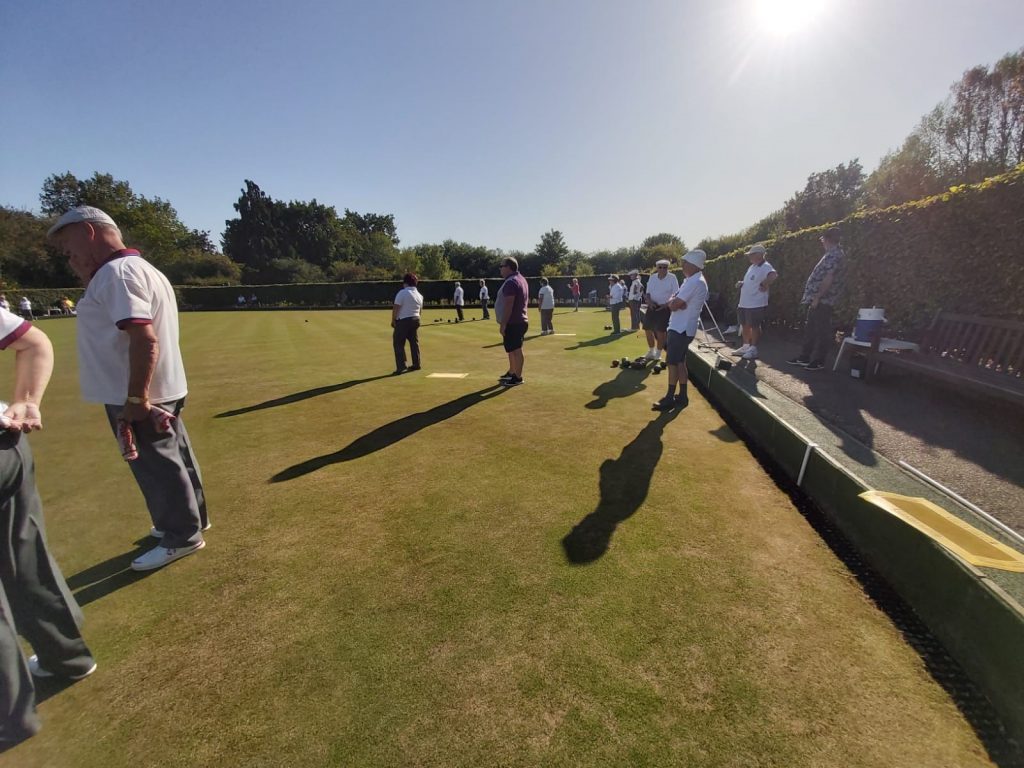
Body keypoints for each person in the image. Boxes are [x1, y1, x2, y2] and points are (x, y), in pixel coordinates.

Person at [47, 206, 208, 572]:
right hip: (159, 387)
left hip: (138, 393)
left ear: (89, 231)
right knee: (176, 455)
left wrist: (136, 398)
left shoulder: (116, 275)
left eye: (68, 246)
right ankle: (192, 519)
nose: (67, 256)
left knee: (156, 464)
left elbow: (144, 339)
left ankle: (182, 534)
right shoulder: (137, 269)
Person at [0, 308, 96, 748]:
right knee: (24, 554)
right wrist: (27, 399)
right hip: (6, 445)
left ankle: (9, 715)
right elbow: (33, 341)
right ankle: (66, 658)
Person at [653, 250, 709, 411]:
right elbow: (674, 299)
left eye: (685, 262)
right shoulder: (691, 280)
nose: (682, 265)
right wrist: (674, 302)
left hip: (681, 328)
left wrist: (674, 303)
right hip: (682, 327)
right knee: (680, 362)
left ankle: (669, 398)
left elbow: (675, 304)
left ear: (693, 265)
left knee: (672, 363)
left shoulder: (694, 282)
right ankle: (682, 396)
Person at [787, 226, 846, 371]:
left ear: (827, 239)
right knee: (810, 329)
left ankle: (819, 361)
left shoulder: (835, 255)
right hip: (816, 299)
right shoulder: (830, 254)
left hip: (823, 300)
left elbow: (829, 278)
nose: (822, 242)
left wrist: (818, 297)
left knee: (821, 331)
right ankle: (804, 357)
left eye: (822, 239)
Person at [731, 244, 778, 361]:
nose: (749, 257)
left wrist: (765, 284)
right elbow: (751, 281)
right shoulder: (752, 267)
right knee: (744, 324)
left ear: (759, 255)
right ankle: (746, 346)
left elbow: (773, 275)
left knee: (755, 326)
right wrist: (742, 283)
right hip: (744, 302)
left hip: (756, 303)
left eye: (751, 255)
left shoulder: (766, 266)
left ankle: (753, 348)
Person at [494, 256, 529, 386]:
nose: (500, 269)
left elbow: (509, 305)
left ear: (509, 267)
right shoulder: (520, 279)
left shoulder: (511, 282)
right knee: (511, 349)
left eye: (501, 266)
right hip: (518, 321)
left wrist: (503, 324)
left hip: (514, 322)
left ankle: (517, 377)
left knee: (516, 350)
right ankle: (512, 372)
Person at [642, 259, 679, 361]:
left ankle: (658, 354)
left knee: (660, 331)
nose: (662, 269)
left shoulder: (672, 278)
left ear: (667, 268)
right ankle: (651, 351)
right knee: (647, 329)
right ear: (657, 268)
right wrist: (649, 302)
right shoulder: (652, 277)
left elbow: (675, 293)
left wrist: (667, 304)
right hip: (651, 306)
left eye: (665, 267)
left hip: (664, 308)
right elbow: (648, 292)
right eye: (660, 267)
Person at [392, 273, 423, 374]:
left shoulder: (402, 292)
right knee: (414, 342)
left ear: (405, 283)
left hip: (404, 320)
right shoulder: (419, 295)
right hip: (416, 319)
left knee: (398, 343)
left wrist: (393, 320)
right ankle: (416, 364)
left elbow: (396, 307)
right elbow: (420, 310)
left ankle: (401, 366)